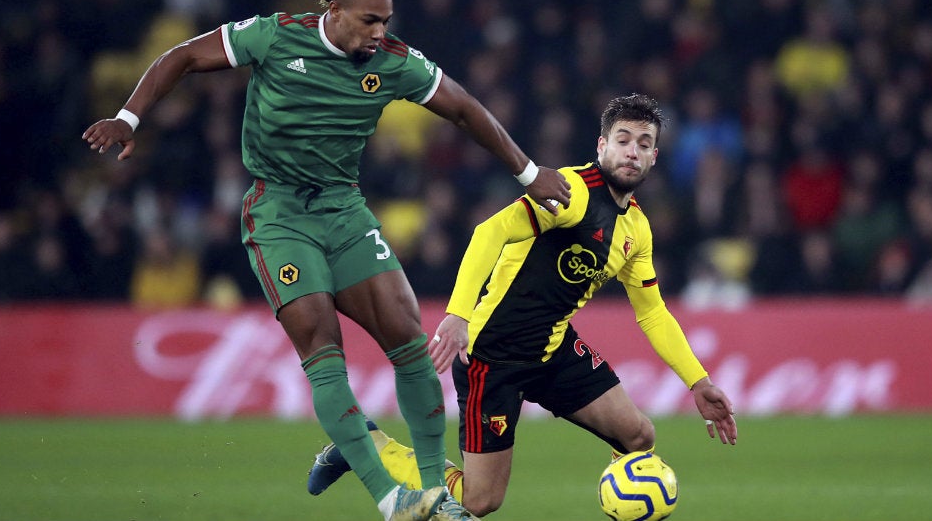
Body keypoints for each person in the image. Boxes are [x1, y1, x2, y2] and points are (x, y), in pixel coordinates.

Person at [80, 0, 571, 521]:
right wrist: (129, 118)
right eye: (368, 21)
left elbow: (462, 107)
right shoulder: (273, 35)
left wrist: (530, 174)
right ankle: (392, 500)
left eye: (385, 21)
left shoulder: (393, 63)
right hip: (278, 213)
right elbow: (184, 55)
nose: (379, 33)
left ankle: (436, 494)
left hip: (343, 208)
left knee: (409, 339)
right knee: (323, 345)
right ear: (333, 13)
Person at [307, 94, 737, 517]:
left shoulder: (637, 229)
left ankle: (622, 500)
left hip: (551, 351)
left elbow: (653, 312)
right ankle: (366, 446)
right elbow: (487, 233)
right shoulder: (571, 193)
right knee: (480, 501)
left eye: (644, 144)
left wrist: (698, 382)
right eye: (623, 140)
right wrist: (458, 315)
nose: (632, 152)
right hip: (493, 358)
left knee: (638, 436)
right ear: (602, 145)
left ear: (655, 157)